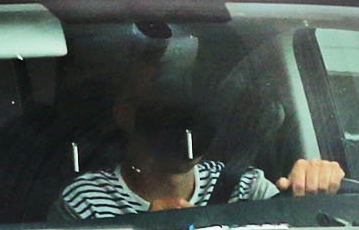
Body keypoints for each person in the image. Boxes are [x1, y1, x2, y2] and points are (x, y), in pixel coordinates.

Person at [57, 94, 344, 220]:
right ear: (128, 118)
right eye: (166, 118)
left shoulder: (244, 186)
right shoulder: (86, 200)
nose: (185, 135)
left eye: (196, 122)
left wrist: (316, 189)